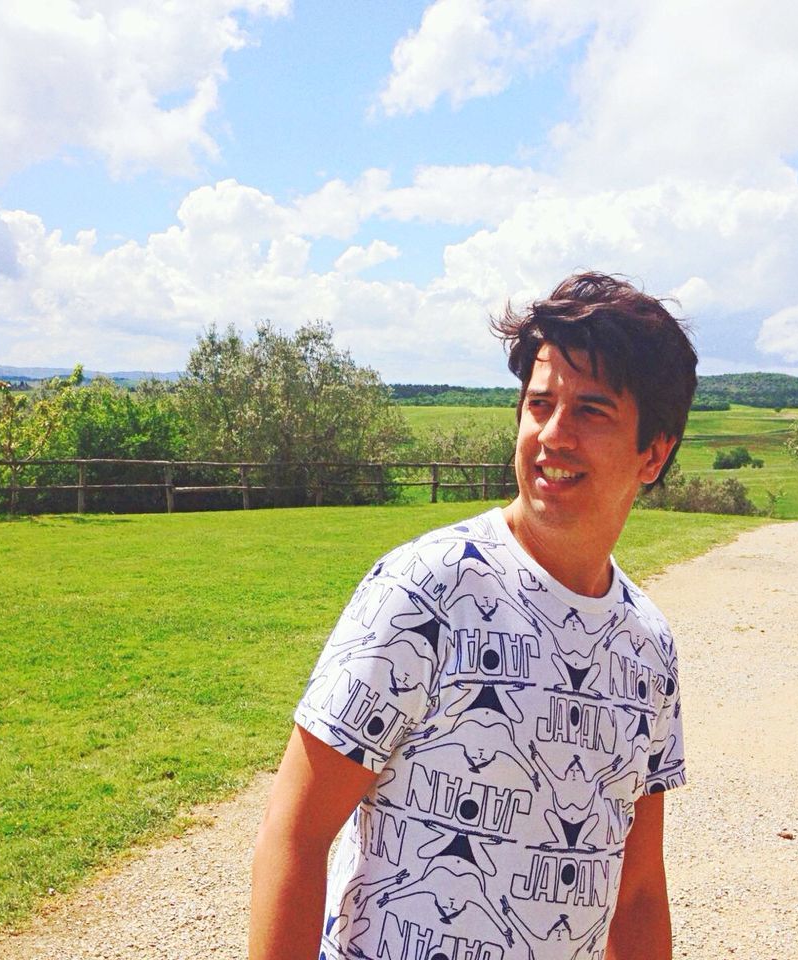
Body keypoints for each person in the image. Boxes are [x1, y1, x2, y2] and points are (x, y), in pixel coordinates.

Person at [250, 271, 698, 960]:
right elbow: (296, 833)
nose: (553, 434)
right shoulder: (428, 589)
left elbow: (637, 892)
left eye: (591, 411)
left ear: (654, 451)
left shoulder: (648, 647)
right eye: (539, 403)